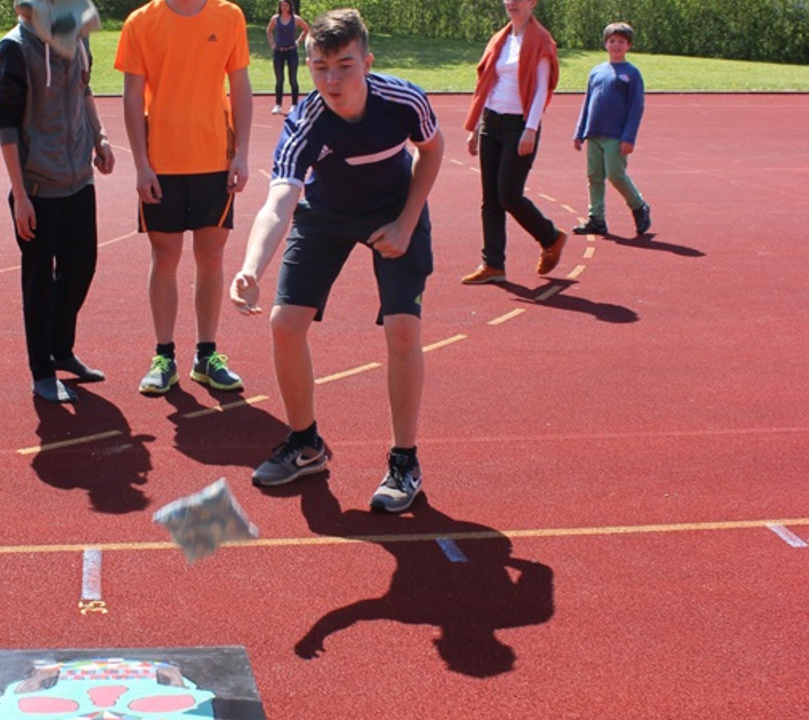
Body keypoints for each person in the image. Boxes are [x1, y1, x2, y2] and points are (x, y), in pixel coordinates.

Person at [230, 9, 444, 513]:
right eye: (320, 67)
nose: (332, 79)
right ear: (306, 65)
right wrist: (250, 267)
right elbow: (279, 201)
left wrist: (407, 222)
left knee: (403, 330)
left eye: (344, 65)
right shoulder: (305, 120)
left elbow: (431, 152)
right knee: (284, 324)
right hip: (325, 213)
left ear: (367, 62)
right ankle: (306, 445)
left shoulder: (403, 99)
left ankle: (404, 460)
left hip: (395, 210)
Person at [115, 0, 253, 396]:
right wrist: (141, 165)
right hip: (163, 164)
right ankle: (163, 356)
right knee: (165, 259)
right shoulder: (141, 22)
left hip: (215, 160)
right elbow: (131, 97)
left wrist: (241, 153)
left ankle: (207, 356)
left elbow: (240, 86)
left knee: (211, 258)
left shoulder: (229, 16)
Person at [0, 0, 116, 404]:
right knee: (39, 280)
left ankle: (61, 349)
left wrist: (99, 137)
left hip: (79, 178)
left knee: (82, 266)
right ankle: (42, 370)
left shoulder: (74, 37)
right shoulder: (14, 49)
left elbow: (84, 90)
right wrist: (21, 194)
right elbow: (7, 124)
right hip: (38, 188)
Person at [460, 0, 564, 285]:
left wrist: (530, 129)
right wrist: (476, 126)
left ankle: (550, 237)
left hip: (519, 126)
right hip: (491, 123)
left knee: (509, 195)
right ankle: (493, 264)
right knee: (489, 200)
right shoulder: (501, 38)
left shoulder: (541, 40)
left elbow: (542, 88)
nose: (512, 3)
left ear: (532, 3)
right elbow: (488, 84)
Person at [572, 21, 650, 237]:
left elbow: (636, 108)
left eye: (621, 42)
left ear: (629, 46)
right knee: (594, 176)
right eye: (612, 41)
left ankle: (638, 206)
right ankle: (596, 218)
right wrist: (579, 132)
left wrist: (629, 137)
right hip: (594, 133)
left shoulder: (631, 74)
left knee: (615, 174)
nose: (616, 45)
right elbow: (588, 103)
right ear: (605, 44)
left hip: (616, 135)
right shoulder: (596, 72)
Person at [266, 0, 309, 115]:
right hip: (278, 52)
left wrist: (298, 42)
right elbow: (269, 31)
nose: (284, 8)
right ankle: (278, 105)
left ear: (290, 6)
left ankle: (294, 105)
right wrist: (272, 44)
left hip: (291, 51)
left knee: (293, 79)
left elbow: (306, 29)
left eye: (286, 5)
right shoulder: (275, 19)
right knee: (279, 79)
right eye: (282, 5)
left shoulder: (296, 19)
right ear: (279, 6)